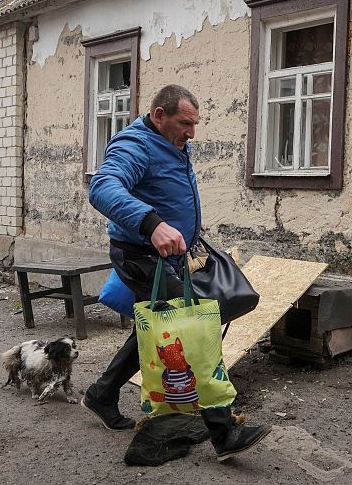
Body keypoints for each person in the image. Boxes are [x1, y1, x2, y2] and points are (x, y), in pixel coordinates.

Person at [84, 84, 271, 461]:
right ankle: (224, 432)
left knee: (157, 330)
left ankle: (102, 394)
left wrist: (188, 229)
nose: (192, 132)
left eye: (195, 124)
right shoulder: (134, 145)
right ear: (159, 116)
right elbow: (102, 187)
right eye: (185, 123)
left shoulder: (172, 142)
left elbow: (165, 189)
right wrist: (152, 223)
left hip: (169, 256)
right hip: (142, 256)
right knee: (190, 329)